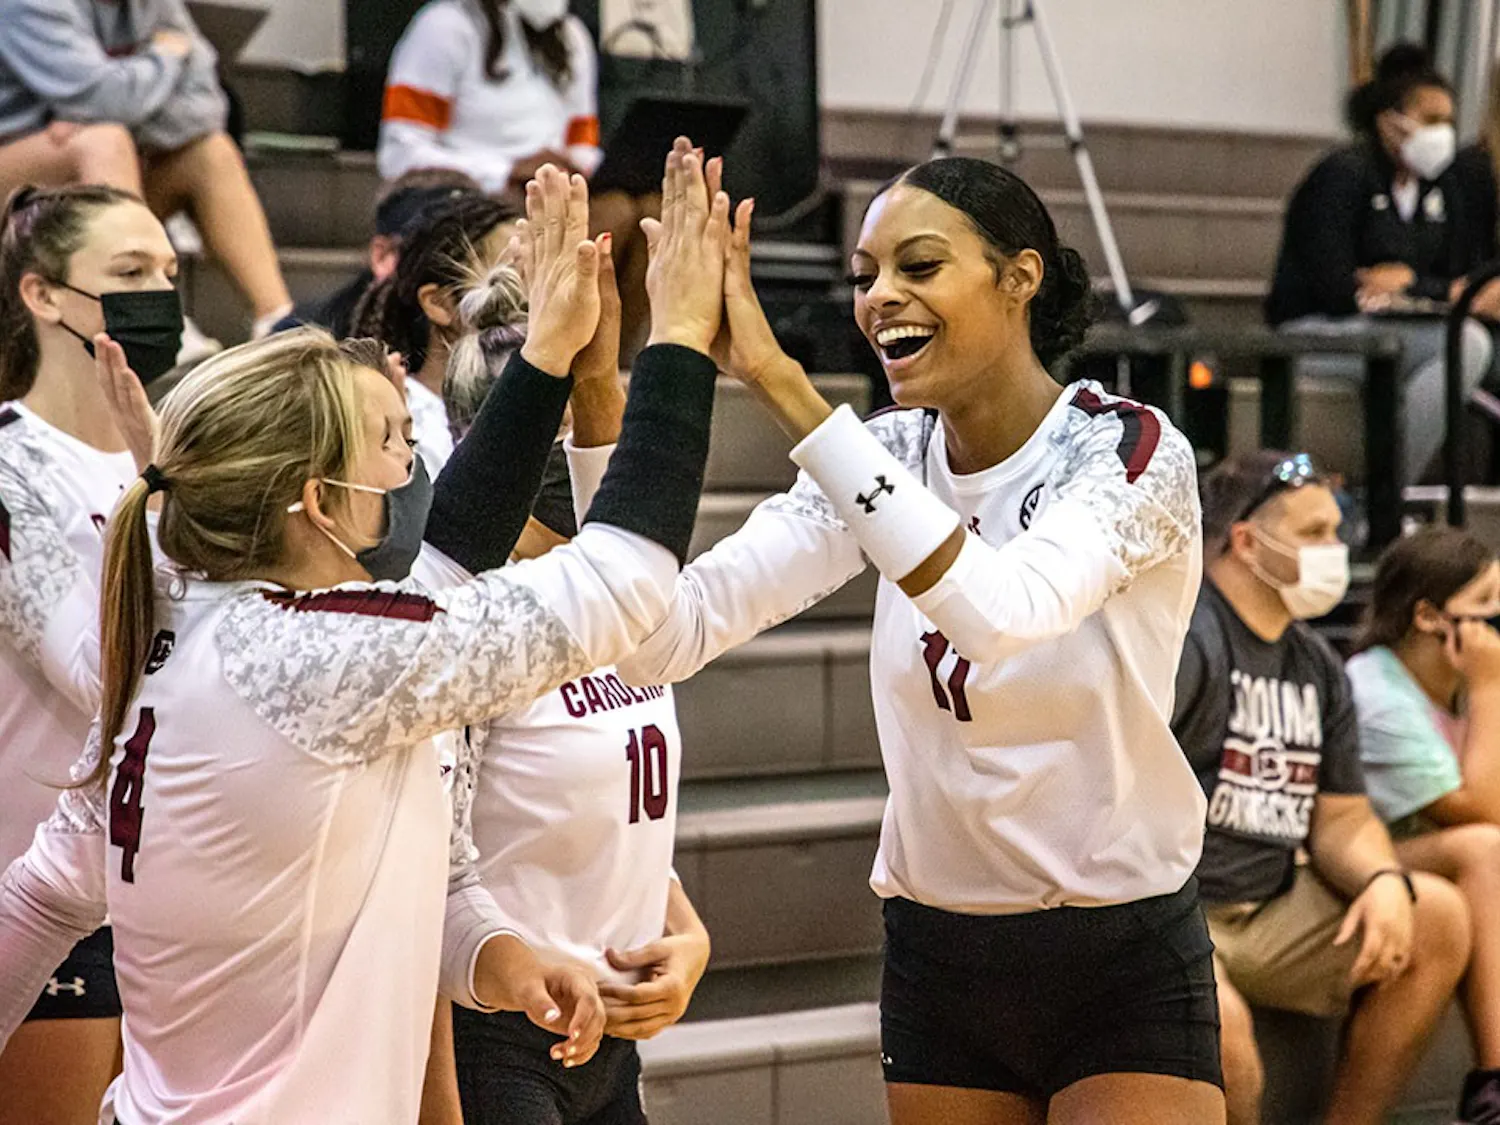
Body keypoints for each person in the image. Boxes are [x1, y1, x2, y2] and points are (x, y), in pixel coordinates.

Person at [0, 154, 735, 1124]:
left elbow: (43, 899)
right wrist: (679, 338)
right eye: (393, 445)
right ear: (322, 502)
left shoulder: (182, 633)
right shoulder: (322, 661)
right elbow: (627, 578)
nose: (417, 466)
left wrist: (493, 956)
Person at [617, 148, 1222, 1124]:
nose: (880, 297)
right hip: (942, 952)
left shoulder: (1127, 449)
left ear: (1019, 277)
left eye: (920, 267)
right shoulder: (884, 456)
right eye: (864, 277)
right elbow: (661, 639)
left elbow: (1002, 617)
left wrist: (776, 377)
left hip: (1121, 951)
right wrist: (664, 360)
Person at [437, 242, 710, 1125]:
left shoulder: (625, 603)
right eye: (555, 433)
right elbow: (427, 863)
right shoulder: (469, 624)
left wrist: (684, 930)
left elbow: (614, 804)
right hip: (495, 1029)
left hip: (609, 1034)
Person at [1172, 449, 1473, 1125]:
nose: (1335, 551)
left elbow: (1340, 820)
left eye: (1335, 532)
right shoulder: (1186, 640)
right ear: (1247, 542)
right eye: (1314, 533)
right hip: (1175, 910)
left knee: (1438, 918)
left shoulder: (1316, 663)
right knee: (1226, 1042)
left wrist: (1381, 880)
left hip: (1270, 907)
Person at [0, 182, 190, 1125]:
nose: (158, 293)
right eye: (128, 273)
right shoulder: (9, 466)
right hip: (46, 896)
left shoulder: (175, 456)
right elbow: (101, 677)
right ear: (42, 295)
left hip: (173, 895)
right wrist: (166, 503)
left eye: (167, 271)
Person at [1265, 43, 1496, 485]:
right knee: (1466, 344)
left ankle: (1384, 487)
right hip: (1312, 331)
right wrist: (1419, 289)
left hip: (1391, 329)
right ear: (1389, 120)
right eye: (1430, 121)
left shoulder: (1438, 189)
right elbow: (1335, 289)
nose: (1442, 133)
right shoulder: (1342, 175)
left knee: (1466, 345)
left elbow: (1453, 274)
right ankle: (1389, 492)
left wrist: (1408, 285)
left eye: (1448, 122)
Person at [0, 0, 294, 339]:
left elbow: (206, 103)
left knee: (210, 151)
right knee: (105, 142)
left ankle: (278, 323)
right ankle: (149, 318)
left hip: (95, 171)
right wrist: (164, 59)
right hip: (15, 171)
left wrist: (110, 108)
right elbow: (105, 100)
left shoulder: (156, 4)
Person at [379, 0, 656, 356]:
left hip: (558, 190)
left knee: (651, 211)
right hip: (473, 196)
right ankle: (551, 352)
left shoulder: (572, 37)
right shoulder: (443, 26)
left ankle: (614, 357)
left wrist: (618, 166)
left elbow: (581, 147)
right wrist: (507, 169)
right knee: (614, 214)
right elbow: (401, 151)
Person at [1345, 527, 1500, 1122]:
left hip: (1420, 855)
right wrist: (1489, 689)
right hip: (1363, 861)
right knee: (1484, 848)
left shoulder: (1459, 681)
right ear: (1431, 616)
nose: (1494, 618)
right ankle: (1491, 1078)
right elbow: (1481, 814)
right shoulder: (1377, 692)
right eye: (1485, 602)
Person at [352, 189, 521, 474]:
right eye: (509, 279)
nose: (539, 297)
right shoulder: (405, 416)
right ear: (439, 304)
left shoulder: (562, 404)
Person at [279, 167, 481, 340]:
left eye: (478, 251)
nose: (461, 267)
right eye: (439, 250)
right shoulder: (302, 338)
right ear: (383, 256)